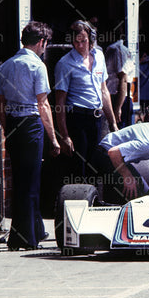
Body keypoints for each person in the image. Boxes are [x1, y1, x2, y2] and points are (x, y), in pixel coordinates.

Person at [0, 21, 61, 250]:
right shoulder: (38, 66)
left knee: (19, 180)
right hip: (31, 123)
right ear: (41, 42)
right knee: (32, 182)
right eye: (46, 43)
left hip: (14, 123)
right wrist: (53, 138)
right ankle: (26, 238)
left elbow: (1, 104)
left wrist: (6, 130)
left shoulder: (6, 66)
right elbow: (43, 105)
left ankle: (30, 231)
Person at [55, 20, 118, 183]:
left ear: (91, 38)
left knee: (97, 164)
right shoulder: (65, 63)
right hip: (78, 119)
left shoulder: (99, 56)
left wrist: (113, 123)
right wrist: (64, 135)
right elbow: (59, 102)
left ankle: (96, 201)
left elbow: (104, 91)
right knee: (79, 167)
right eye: (76, 41)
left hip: (98, 119)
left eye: (83, 40)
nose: (80, 45)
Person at [105, 38, 135, 128]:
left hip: (118, 98)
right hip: (113, 98)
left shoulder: (117, 50)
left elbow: (123, 79)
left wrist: (118, 107)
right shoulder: (110, 49)